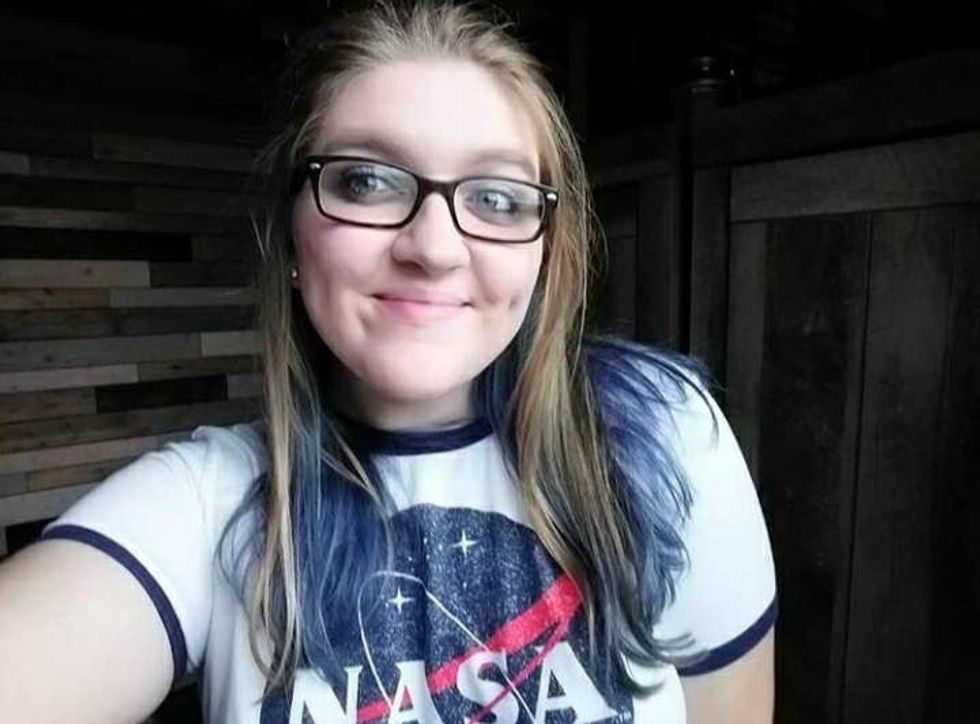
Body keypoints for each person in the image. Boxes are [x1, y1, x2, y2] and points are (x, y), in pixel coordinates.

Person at [0, 2, 777, 722]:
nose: (434, 248)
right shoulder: (210, 509)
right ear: (293, 236)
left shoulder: (661, 436)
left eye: (497, 197)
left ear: (545, 249)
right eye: (366, 181)